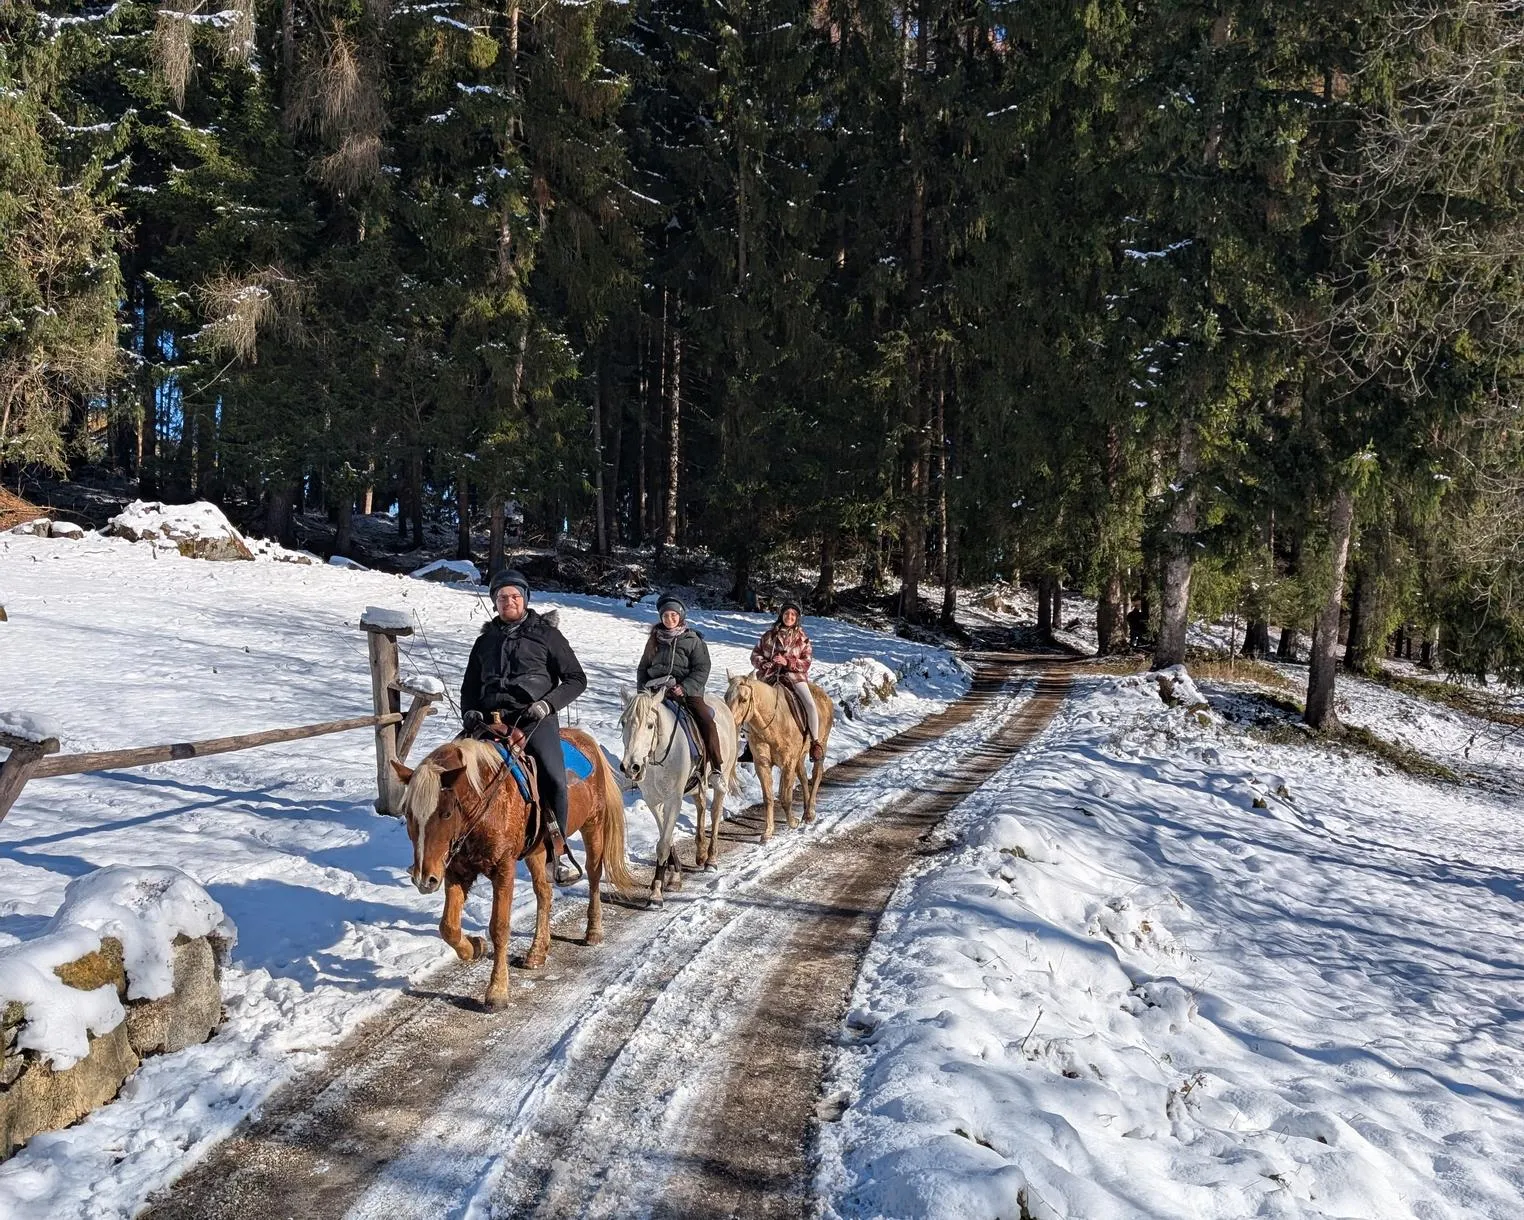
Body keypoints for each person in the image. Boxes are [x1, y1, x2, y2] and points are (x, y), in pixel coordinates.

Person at [461, 568, 588, 884]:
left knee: (553, 777)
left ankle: (556, 852)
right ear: (495, 603)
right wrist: (470, 713)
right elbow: (469, 687)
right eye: (502, 597)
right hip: (489, 723)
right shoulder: (484, 641)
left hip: (535, 719)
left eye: (515, 596)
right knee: (447, 771)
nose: (509, 602)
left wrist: (546, 705)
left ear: (526, 599)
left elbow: (576, 679)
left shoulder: (547, 635)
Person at [636, 595, 724, 775]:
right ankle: (636, 763)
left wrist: (685, 687)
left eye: (673, 615)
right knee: (636, 721)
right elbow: (643, 668)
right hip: (656, 690)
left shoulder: (692, 640)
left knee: (706, 719)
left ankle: (715, 766)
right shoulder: (654, 639)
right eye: (665, 616)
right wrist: (642, 693)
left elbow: (702, 668)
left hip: (686, 691)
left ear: (681, 616)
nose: (669, 619)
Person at [750, 600, 822, 760]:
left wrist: (788, 662)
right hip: (770, 676)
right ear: (781, 615)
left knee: (809, 703)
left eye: (793, 614)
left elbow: (806, 662)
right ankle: (751, 744)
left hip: (794, 678)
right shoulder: (769, 636)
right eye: (786, 613)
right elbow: (755, 654)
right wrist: (764, 663)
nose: (789, 617)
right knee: (751, 701)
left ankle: (815, 742)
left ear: (797, 618)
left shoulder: (802, 638)